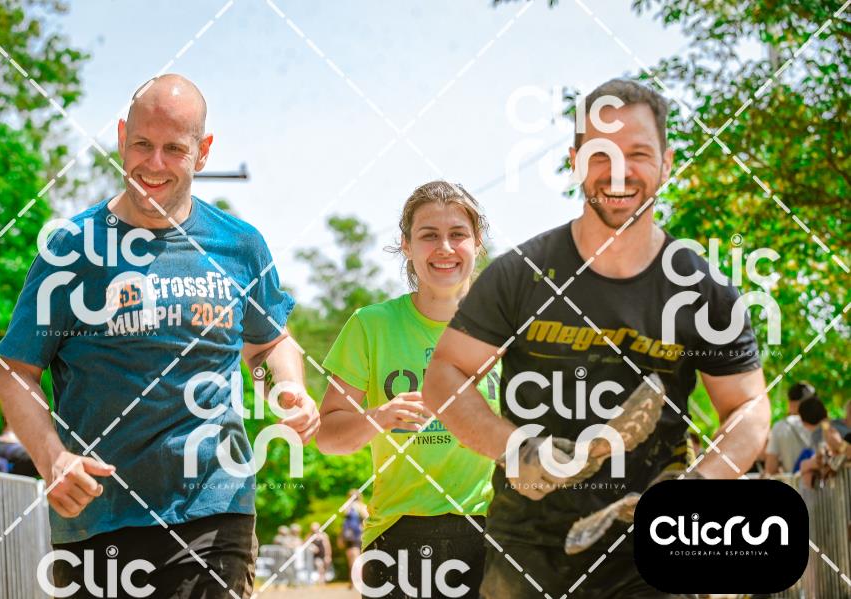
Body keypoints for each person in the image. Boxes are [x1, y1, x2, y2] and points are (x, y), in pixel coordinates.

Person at [422, 78, 770, 598]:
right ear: (575, 162)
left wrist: (700, 484)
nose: (618, 170)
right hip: (527, 551)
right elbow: (444, 376)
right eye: (600, 153)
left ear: (667, 164)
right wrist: (515, 449)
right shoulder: (522, 274)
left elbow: (748, 407)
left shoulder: (702, 289)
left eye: (638, 153)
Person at [0, 74, 319, 598]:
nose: (154, 164)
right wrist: (52, 456)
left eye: (175, 149)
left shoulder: (240, 245)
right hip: (98, 519)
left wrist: (289, 389)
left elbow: (268, 344)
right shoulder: (72, 250)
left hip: (214, 509)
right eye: (143, 144)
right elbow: (16, 370)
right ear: (122, 137)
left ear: (203, 151)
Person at [318, 181, 500, 598]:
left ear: (477, 242)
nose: (445, 248)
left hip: (492, 536)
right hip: (397, 540)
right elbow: (327, 437)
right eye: (429, 235)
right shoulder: (372, 325)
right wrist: (377, 418)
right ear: (406, 245)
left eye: (458, 234)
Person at [765, 381, 816, 474]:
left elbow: (771, 467)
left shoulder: (780, 427)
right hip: (820, 481)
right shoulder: (820, 425)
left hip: (793, 480)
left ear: (790, 403)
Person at [339, 489, 366, 586]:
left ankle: (357, 579)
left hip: (357, 536)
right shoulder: (348, 508)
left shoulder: (361, 507)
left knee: (355, 557)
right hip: (348, 537)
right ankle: (353, 579)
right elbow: (344, 524)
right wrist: (341, 537)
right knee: (351, 558)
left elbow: (366, 518)